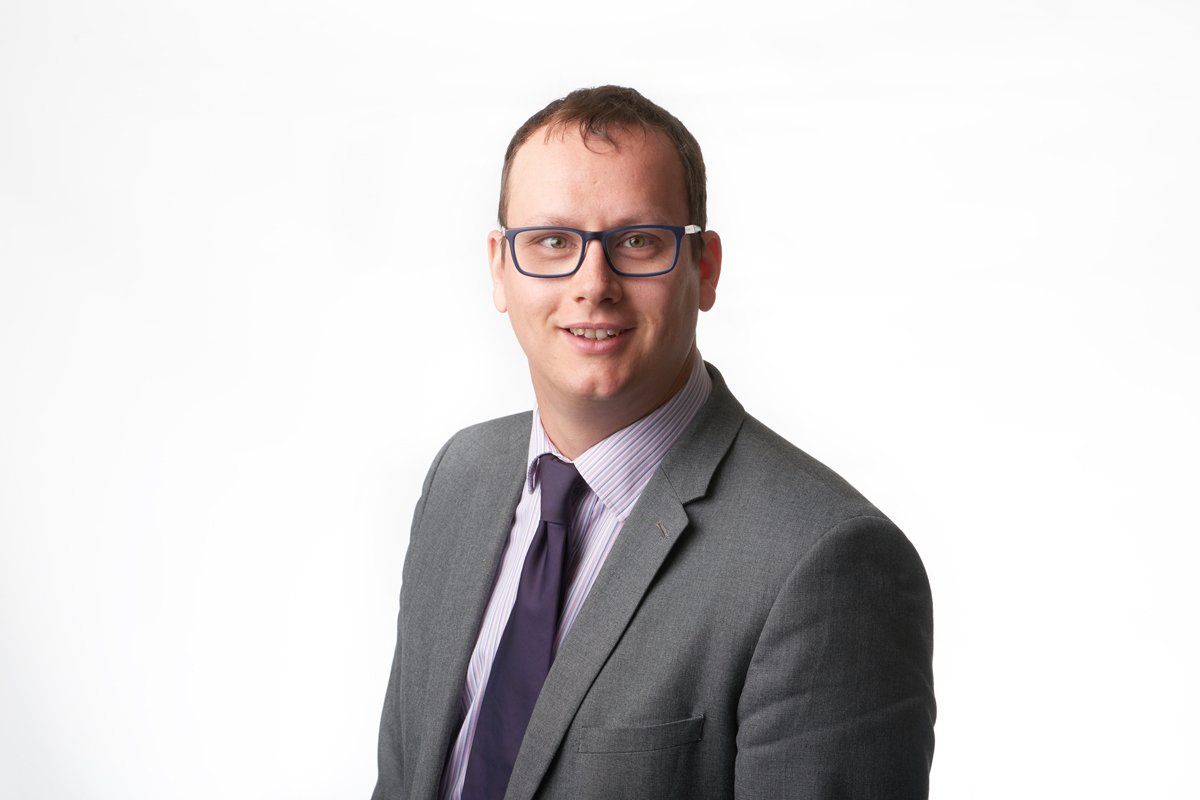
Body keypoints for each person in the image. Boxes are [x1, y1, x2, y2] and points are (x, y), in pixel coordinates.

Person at [370, 85, 935, 800]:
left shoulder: (821, 561)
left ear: (704, 268)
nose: (592, 284)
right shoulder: (460, 479)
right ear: (500, 268)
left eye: (637, 241)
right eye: (552, 241)